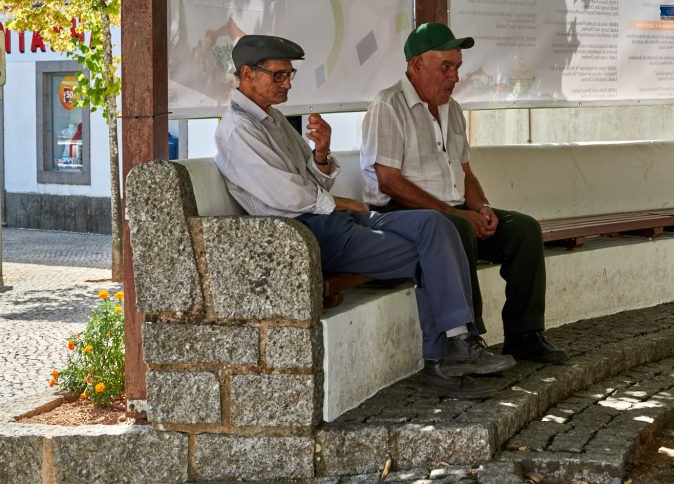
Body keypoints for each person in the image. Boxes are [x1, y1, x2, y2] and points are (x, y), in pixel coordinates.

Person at [214, 35, 514, 398]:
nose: (287, 83)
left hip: (334, 221)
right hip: (307, 234)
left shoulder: (272, 120)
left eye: (290, 75)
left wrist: (321, 153)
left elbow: (311, 178)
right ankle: (449, 355)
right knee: (429, 254)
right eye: (279, 76)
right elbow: (285, 195)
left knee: (438, 224)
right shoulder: (236, 130)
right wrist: (337, 202)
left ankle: (457, 347)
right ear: (247, 73)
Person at [361, 22, 568, 364]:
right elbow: (388, 181)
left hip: (453, 211)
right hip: (402, 216)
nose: (454, 77)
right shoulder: (388, 105)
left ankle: (525, 334)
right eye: (446, 67)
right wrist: (458, 215)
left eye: (457, 67)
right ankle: (469, 340)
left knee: (523, 229)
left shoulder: (451, 109)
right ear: (417, 65)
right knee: (455, 230)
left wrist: (482, 207)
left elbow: (465, 172)